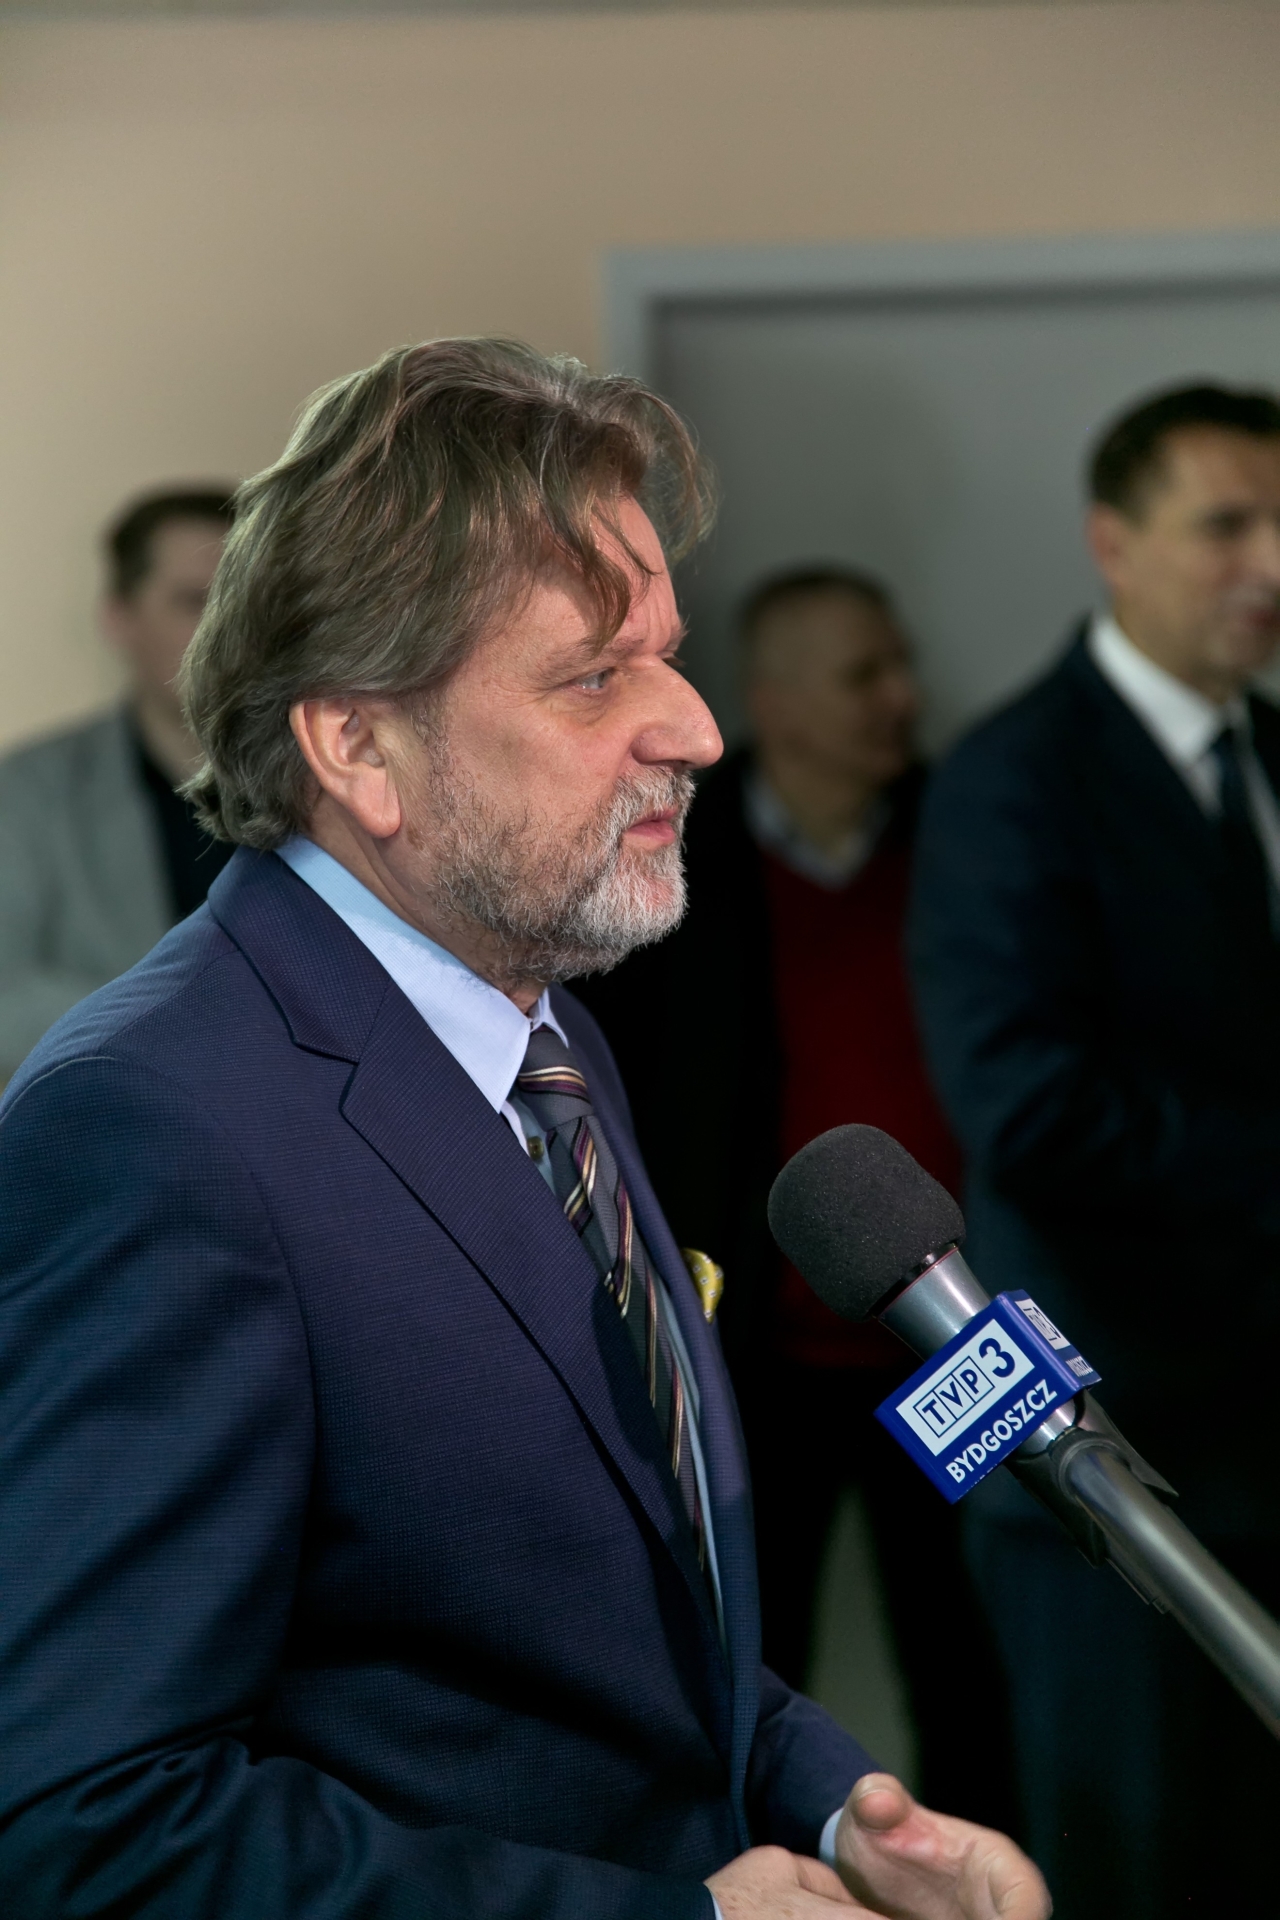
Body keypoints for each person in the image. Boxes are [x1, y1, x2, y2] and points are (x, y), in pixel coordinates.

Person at [0, 341, 1048, 1920]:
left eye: (669, 656)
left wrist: (839, 1809)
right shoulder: (152, 1127)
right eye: (593, 677)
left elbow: (592, 1618)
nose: (695, 728)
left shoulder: (542, 1024)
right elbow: (90, 1824)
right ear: (358, 746)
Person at [910, 381, 1280, 1917]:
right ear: (1113, 543)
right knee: (1135, 1873)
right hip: (1103, 1459)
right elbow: (1027, 1108)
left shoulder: (1273, 751)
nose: (1271, 566)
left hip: (1271, 1436)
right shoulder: (1012, 778)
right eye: (1228, 525)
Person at [576, 568, 1016, 1832]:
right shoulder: (665, 854)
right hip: (753, 1346)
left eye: (899, 665)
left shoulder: (962, 836)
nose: (901, 698)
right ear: (769, 700)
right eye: (862, 674)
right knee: (753, 1660)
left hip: (958, 1332)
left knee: (972, 1652)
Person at [0, 487, 235, 1080]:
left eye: (242, 599)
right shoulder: (31, 790)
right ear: (119, 618)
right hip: (106, 1119)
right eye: (194, 601)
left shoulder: (331, 785)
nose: (227, 629)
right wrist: (182, 1024)